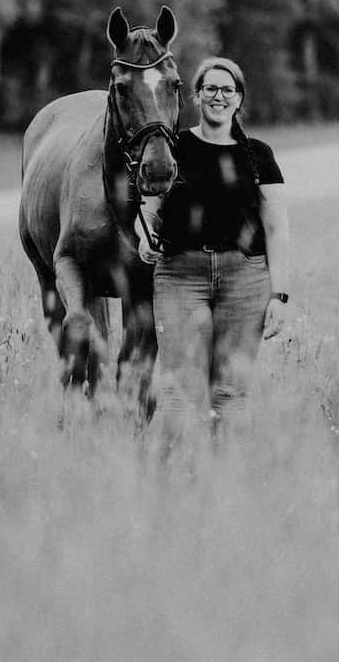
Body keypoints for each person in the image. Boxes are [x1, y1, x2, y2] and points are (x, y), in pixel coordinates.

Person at [139, 56, 294, 435]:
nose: (219, 97)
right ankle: (179, 484)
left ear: (239, 99)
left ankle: (225, 486)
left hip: (245, 280)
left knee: (230, 394)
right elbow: (149, 205)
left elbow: (277, 228)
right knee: (178, 393)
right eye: (210, 88)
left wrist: (280, 295)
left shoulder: (258, 155)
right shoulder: (172, 146)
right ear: (196, 96)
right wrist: (144, 235)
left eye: (228, 90)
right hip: (179, 277)